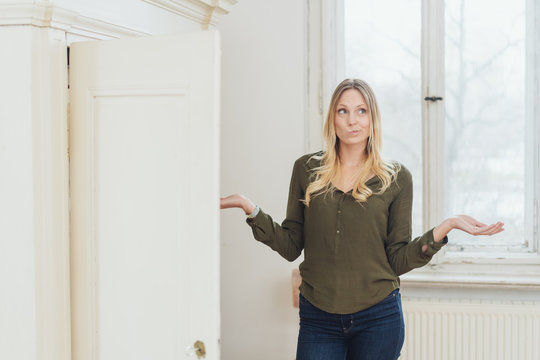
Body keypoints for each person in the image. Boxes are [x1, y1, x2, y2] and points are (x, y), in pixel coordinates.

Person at [220, 78, 504, 360]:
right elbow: (291, 246)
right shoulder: (306, 170)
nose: (352, 121)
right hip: (318, 317)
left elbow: (397, 259)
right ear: (332, 117)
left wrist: (446, 226)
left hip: (379, 318)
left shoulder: (396, 177)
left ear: (372, 118)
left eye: (361, 111)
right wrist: (249, 208)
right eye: (343, 111)